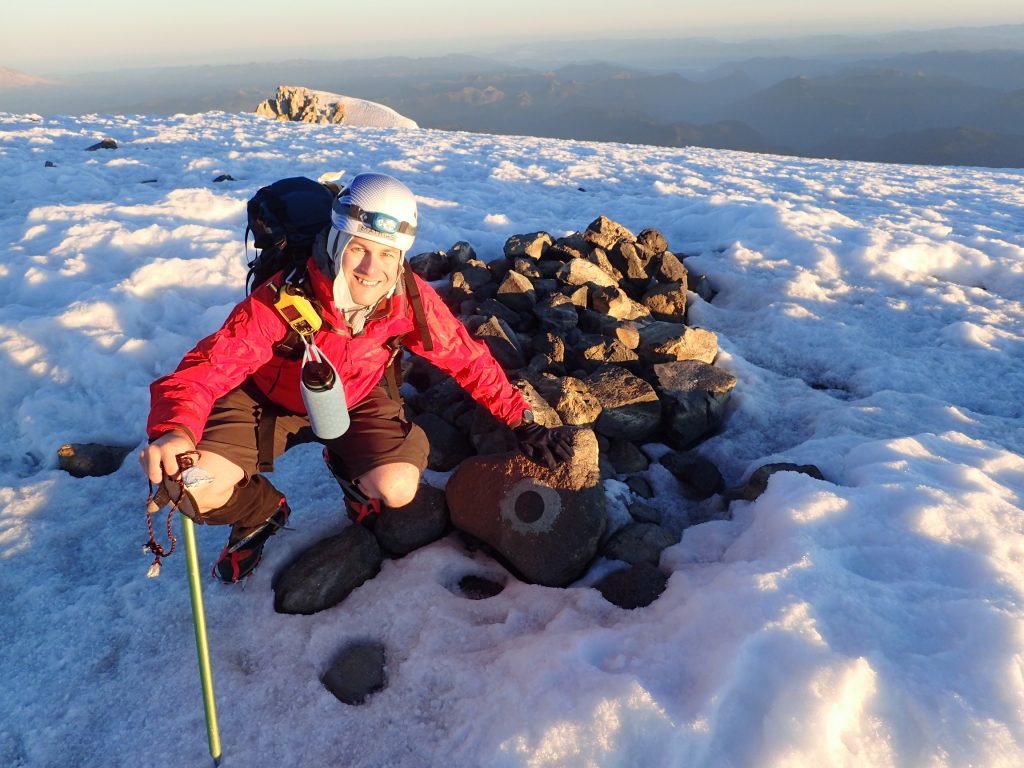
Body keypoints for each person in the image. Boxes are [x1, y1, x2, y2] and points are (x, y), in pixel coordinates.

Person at [140, 172, 572, 583]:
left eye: (388, 253)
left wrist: (522, 420)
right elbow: (206, 368)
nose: (372, 268)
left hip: (358, 396)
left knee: (397, 488)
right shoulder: (283, 298)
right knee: (194, 487)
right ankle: (259, 511)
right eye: (358, 247)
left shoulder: (407, 298)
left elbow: (466, 359)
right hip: (263, 399)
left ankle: (350, 465)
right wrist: (175, 429)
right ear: (334, 240)